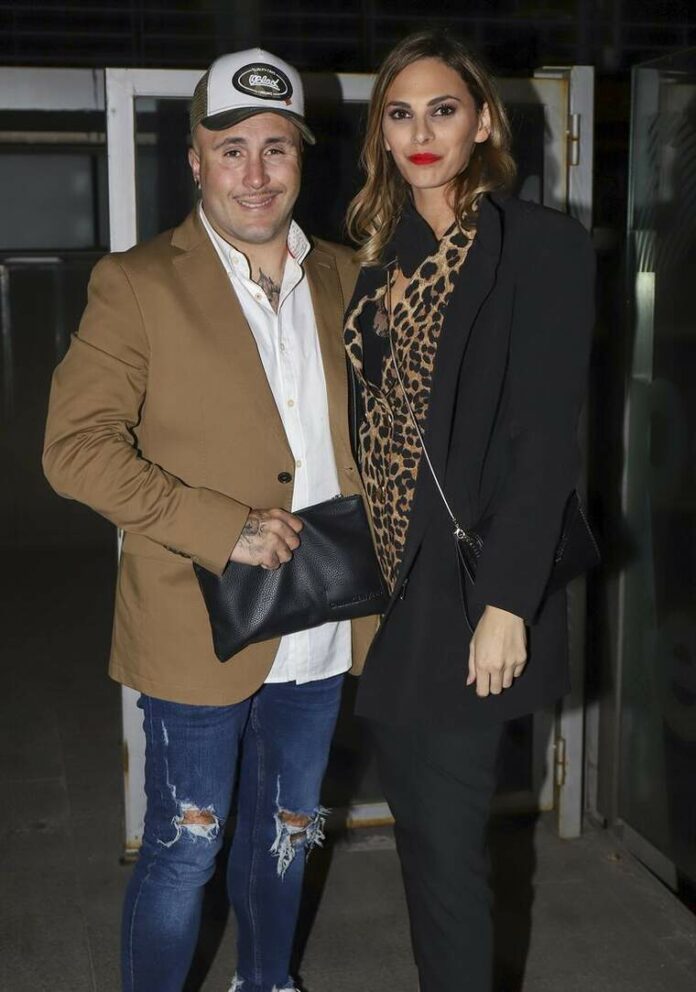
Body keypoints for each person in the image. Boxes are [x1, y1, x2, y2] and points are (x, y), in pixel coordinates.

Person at [43, 48, 376, 992]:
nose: (255, 174)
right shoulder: (138, 282)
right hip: (196, 626)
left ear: (303, 157)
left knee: (287, 837)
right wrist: (218, 525)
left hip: (321, 625)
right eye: (232, 150)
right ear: (195, 159)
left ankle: (266, 983)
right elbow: (73, 450)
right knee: (185, 851)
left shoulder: (349, 277)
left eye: (276, 148)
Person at [344, 30, 595, 992]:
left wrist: (505, 603)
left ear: (482, 122)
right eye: (400, 114)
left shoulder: (539, 247)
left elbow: (545, 441)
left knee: (449, 861)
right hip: (398, 598)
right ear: (382, 132)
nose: (421, 133)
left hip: (473, 592)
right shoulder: (382, 261)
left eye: (442, 110)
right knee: (427, 846)